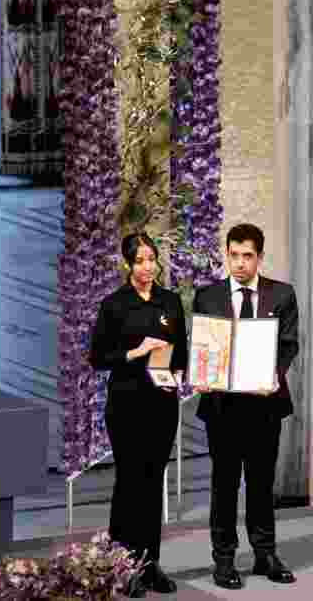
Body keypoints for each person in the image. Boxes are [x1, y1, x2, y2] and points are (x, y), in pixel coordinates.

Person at [192, 223, 299, 589]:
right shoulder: (207, 296)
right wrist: (201, 375)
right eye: (233, 255)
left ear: (259, 257)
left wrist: (274, 374)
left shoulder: (281, 295)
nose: (239, 263)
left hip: (264, 406)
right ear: (227, 255)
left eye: (247, 256)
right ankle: (223, 560)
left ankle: (265, 554)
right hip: (222, 407)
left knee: (261, 482)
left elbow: (288, 344)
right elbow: (203, 348)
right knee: (224, 485)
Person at [89, 232, 188, 598]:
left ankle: (150, 564)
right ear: (128, 264)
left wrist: (175, 375)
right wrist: (136, 351)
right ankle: (122, 564)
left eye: (152, 259)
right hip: (127, 404)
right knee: (130, 482)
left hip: (161, 403)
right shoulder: (114, 305)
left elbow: (182, 355)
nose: (148, 266)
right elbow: (98, 358)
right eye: (141, 260)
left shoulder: (170, 301)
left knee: (152, 483)